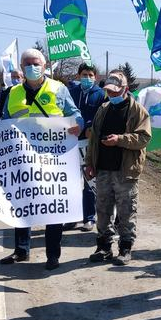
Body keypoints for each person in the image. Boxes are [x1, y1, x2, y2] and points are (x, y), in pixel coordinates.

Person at [0, 48, 83, 270]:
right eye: (27, 63)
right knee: (22, 202)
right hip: (22, 159)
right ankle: (21, 250)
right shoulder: (13, 93)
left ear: (45, 66)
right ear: (21, 67)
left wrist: (78, 126)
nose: (32, 67)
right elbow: (3, 123)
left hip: (53, 158)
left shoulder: (59, 89)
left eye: (36, 63)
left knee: (53, 206)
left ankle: (53, 255)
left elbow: (76, 115)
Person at [85, 71, 151, 266]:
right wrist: (90, 163)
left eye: (115, 92)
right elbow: (93, 139)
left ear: (125, 90)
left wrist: (120, 140)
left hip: (126, 170)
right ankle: (104, 247)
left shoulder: (137, 111)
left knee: (126, 210)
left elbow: (144, 138)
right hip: (103, 169)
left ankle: (125, 248)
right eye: (109, 92)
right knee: (103, 210)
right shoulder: (103, 109)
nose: (112, 96)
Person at [69, 61, 107, 231]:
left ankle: (89, 218)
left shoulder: (100, 94)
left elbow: (102, 116)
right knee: (70, 182)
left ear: (95, 77)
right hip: (69, 143)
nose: (87, 78)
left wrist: (90, 127)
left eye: (91, 75)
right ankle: (71, 217)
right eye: (84, 75)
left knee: (88, 180)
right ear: (78, 76)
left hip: (89, 144)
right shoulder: (71, 92)